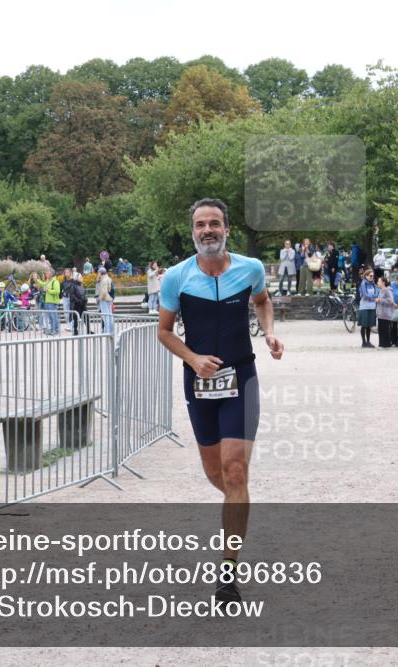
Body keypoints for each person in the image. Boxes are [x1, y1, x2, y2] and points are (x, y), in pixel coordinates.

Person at [156, 198, 284, 606]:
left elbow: (262, 302)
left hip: (241, 377)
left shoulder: (250, 269)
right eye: (200, 224)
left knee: (235, 471)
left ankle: (227, 574)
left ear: (227, 229)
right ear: (192, 231)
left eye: (214, 223)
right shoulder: (176, 277)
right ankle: (236, 499)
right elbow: (164, 331)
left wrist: (268, 334)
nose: (207, 230)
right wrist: (193, 359)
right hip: (200, 384)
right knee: (218, 473)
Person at [357, 268, 379, 348]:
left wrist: (371, 297)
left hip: (372, 306)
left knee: (369, 325)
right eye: (370, 276)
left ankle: (368, 341)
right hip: (364, 307)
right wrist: (373, 298)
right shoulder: (363, 284)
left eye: (373, 276)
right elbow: (364, 295)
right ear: (366, 276)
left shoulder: (373, 284)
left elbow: (376, 293)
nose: (372, 277)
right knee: (364, 325)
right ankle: (363, 342)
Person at [376, 276, 398, 348]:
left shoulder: (387, 290)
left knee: (385, 329)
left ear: (383, 282)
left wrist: (380, 301)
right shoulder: (381, 290)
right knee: (380, 329)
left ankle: (386, 344)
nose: (377, 283)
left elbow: (390, 301)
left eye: (379, 281)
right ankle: (381, 344)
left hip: (386, 314)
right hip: (380, 313)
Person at [37, 270, 61, 335]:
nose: (46, 275)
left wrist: (48, 290)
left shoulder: (55, 281)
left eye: (47, 273)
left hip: (52, 301)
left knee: (54, 316)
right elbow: (43, 284)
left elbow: (57, 291)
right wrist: (36, 279)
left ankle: (56, 330)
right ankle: (52, 329)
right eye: (46, 274)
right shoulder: (48, 281)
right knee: (50, 317)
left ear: (51, 274)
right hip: (48, 301)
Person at [96, 268, 115, 335]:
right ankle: (112, 330)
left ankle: (107, 331)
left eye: (98, 272)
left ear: (100, 273)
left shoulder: (103, 280)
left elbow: (104, 292)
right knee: (110, 315)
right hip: (109, 299)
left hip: (104, 299)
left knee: (105, 316)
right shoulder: (109, 278)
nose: (97, 274)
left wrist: (100, 298)